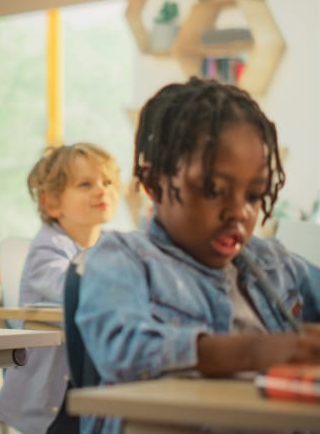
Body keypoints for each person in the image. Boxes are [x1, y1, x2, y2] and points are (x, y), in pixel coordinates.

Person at [74, 78, 320, 433]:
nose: (238, 212)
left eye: (254, 195)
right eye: (213, 190)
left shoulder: (275, 263)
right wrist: (255, 352)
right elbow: (122, 350)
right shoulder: (125, 258)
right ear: (154, 183)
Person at [0, 143, 119, 433]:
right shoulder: (47, 249)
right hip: (52, 397)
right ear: (52, 204)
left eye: (108, 182)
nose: (102, 190)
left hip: (89, 383)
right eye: (86, 184)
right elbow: (75, 287)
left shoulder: (111, 244)